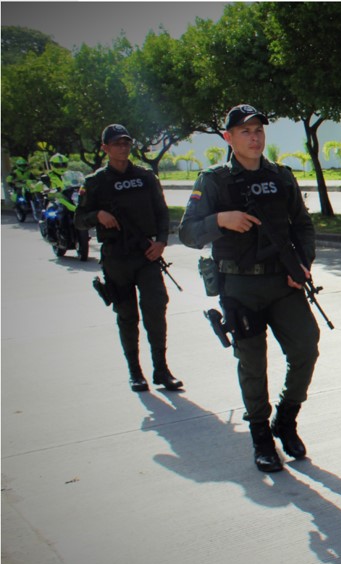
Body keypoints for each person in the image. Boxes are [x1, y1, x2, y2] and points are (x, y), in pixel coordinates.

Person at [179, 104, 320, 473]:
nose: (254, 137)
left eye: (258, 129)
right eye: (245, 131)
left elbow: (302, 225)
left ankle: (285, 419)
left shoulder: (281, 176)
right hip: (240, 286)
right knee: (253, 364)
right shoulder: (214, 180)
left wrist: (302, 264)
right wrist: (220, 220)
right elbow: (187, 232)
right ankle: (261, 436)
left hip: (283, 281)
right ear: (228, 138)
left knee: (306, 347)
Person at [76, 124, 182, 393]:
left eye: (126, 142)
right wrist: (97, 215)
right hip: (116, 258)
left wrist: (161, 242)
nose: (123, 147)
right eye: (117, 143)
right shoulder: (95, 183)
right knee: (127, 316)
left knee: (156, 312)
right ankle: (135, 373)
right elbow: (78, 219)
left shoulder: (145, 176)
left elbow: (161, 213)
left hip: (146, 255)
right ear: (105, 148)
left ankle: (161, 370)